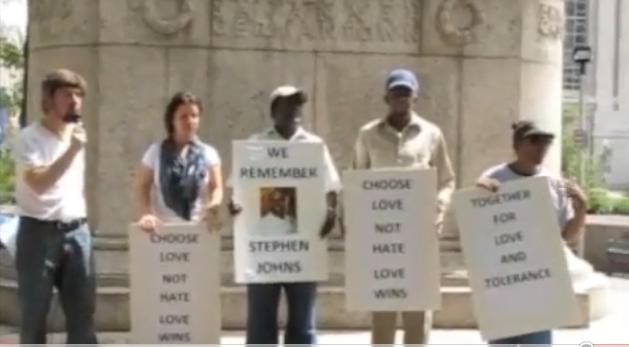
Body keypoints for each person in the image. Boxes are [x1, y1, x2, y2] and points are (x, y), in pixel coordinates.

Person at [350, 69, 456, 345]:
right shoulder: (368, 134)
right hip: (382, 236)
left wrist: (439, 208)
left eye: (406, 93)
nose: (401, 98)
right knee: (383, 308)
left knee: (417, 312)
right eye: (396, 93)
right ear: (386, 97)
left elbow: (447, 179)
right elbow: (357, 180)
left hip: (418, 235)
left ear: (415, 96)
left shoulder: (431, 133)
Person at [229, 85, 341, 345]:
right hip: (264, 248)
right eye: (287, 104)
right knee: (261, 320)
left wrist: (332, 211)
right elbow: (238, 188)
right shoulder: (255, 145)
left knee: (303, 321)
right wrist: (234, 205)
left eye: (297, 104)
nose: (294, 110)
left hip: (303, 244)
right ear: (273, 110)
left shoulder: (314, 147)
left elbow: (331, 186)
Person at [476, 120, 587, 345]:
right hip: (505, 282)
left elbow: (565, 236)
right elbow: (479, 225)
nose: (541, 147)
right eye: (534, 141)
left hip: (539, 284)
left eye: (546, 142)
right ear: (517, 145)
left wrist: (581, 209)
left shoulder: (552, 183)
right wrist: (480, 193)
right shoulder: (494, 177)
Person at [12, 69, 97, 343]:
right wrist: (72, 151)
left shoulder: (76, 134)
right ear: (49, 100)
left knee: (83, 314)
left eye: (78, 95)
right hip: (38, 233)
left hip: (77, 231)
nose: (75, 101)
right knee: (35, 315)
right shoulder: (29, 138)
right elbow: (38, 182)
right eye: (67, 94)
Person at [135, 92, 223, 231]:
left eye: (194, 116)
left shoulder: (209, 153)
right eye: (183, 117)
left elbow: (217, 187)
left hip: (198, 229)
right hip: (163, 231)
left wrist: (213, 206)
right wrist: (146, 214)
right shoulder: (155, 152)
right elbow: (142, 186)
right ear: (172, 120)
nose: (190, 121)